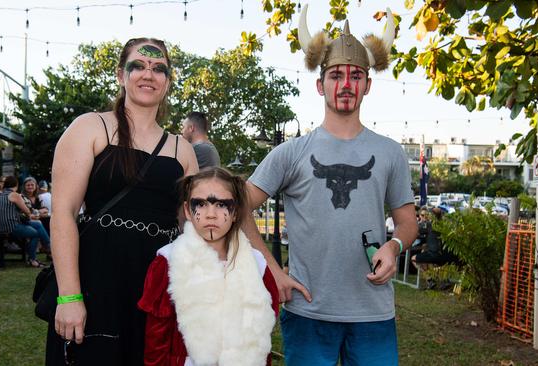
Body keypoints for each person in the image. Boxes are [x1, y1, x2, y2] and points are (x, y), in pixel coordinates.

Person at [241, 7, 418, 365]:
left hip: (373, 314)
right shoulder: (290, 153)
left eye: (356, 76)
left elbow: (408, 222)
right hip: (308, 311)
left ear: (368, 84)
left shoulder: (390, 153)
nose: (347, 85)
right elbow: (238, 206)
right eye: (336, 75)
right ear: (320, 85)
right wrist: (274, 271)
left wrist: (395, 245)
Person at [47, 37, 198, 365]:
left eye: (159, 69)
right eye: (138, 66)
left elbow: (194, 230)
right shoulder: (90, 127)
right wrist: (69, 295)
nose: (149, 74)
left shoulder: (181, 149)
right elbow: (63, 213)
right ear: (120, 75)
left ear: (168, 81)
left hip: (157, 286)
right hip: (98, 281)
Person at [139, 167, 278, 365]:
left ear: (236, 211)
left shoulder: (257, 265)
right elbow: (156, 338)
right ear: (188, 210)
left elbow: (263, 335)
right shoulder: (169, 262)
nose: (211, 214)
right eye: (201, 204)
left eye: (222, 205)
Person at [0, 176, 51, 268]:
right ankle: (34, 258)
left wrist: (32, 215)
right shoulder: (14, 195)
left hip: (4, 225)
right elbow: (27, 211)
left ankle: (48, 247)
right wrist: (37, 213)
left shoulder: (1, 195)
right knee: (35, 234)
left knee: (37, 224)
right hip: (12, 226)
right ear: (16, 185)